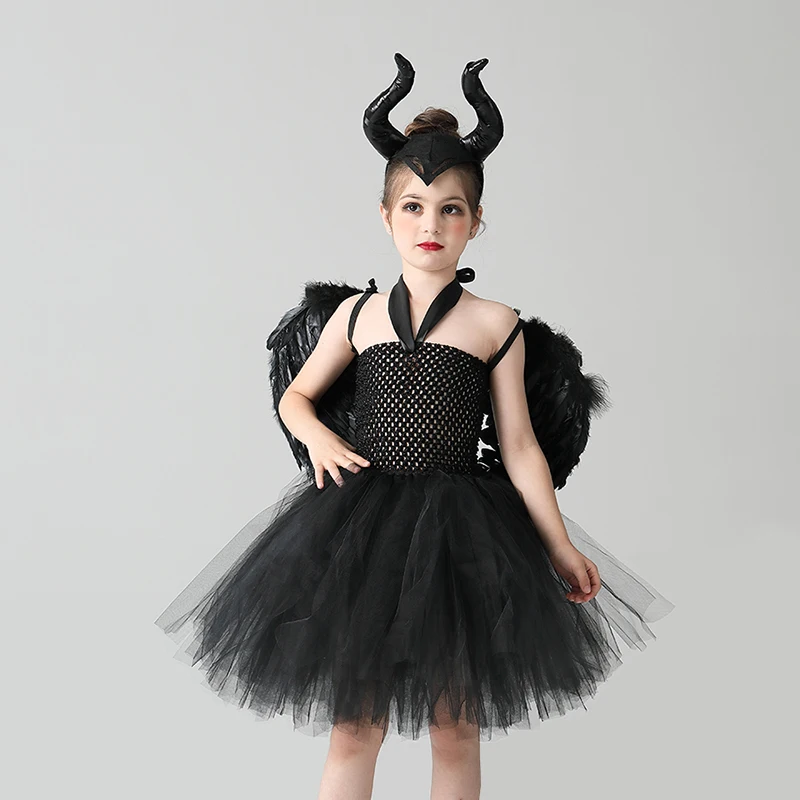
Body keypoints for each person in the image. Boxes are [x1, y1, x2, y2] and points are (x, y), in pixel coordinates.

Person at [155, 53, 674, 800]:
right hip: (359, 532)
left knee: (455, 727)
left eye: (451, 209)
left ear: (476, 222)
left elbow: (520, 445)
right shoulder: (357, 315)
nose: (431, 225)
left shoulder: (495, 323)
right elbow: (296, 397)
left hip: (463, 536)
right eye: (413, 207)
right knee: (354, 725)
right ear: (385, 215)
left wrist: (559, 545)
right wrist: (319, 438)